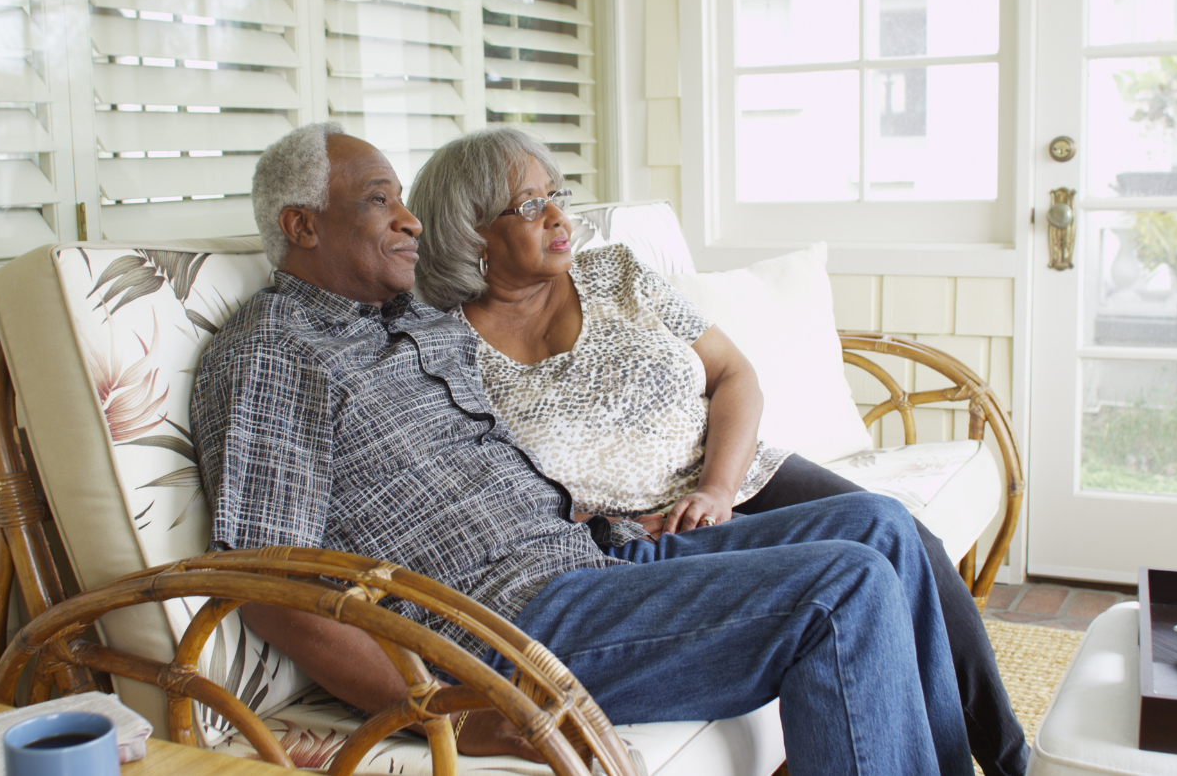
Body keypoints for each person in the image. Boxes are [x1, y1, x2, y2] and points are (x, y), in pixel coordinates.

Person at [192, 121, 973, 776]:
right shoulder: (272, 349)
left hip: (601, 557)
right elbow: (270, 583)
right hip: (511, 622)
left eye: (403, 198)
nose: (410, 220)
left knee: (879, 527)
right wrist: (450, 712)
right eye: (378, 200)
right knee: (844, 585)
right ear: (301, 226)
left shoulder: (412, 320)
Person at [408, 126, 1028, 776]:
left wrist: (718, 487)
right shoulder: (446, 356)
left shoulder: (614, 273)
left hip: (737, 476)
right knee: (852, 580)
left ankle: (1008, 759)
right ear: (469, 230)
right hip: (641, 532)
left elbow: (734, 373)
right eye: (530, 205)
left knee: (901, 537)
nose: (561, 216)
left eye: (556, 192)